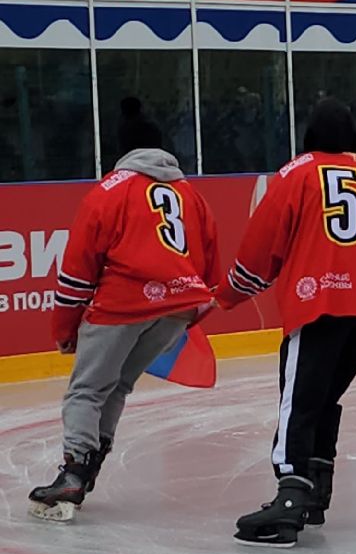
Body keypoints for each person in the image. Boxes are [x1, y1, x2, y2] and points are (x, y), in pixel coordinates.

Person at [214, 99, 356, 547]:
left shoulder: (296, 174)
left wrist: (227, 296)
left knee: (300, 396)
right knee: (323, 394)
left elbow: (260, 251)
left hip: (320, 300)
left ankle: (292, 493)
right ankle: (317, 484)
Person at [28, 126, 220, 522]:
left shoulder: (110, 191)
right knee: (117, 386)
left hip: (124, 303)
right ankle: (90, 463)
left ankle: (75, 470)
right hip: (179, 306)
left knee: (86, 390)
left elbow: (78, 270)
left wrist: (65, 330)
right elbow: (210, 267)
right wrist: (190, 309)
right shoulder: (191, 195)